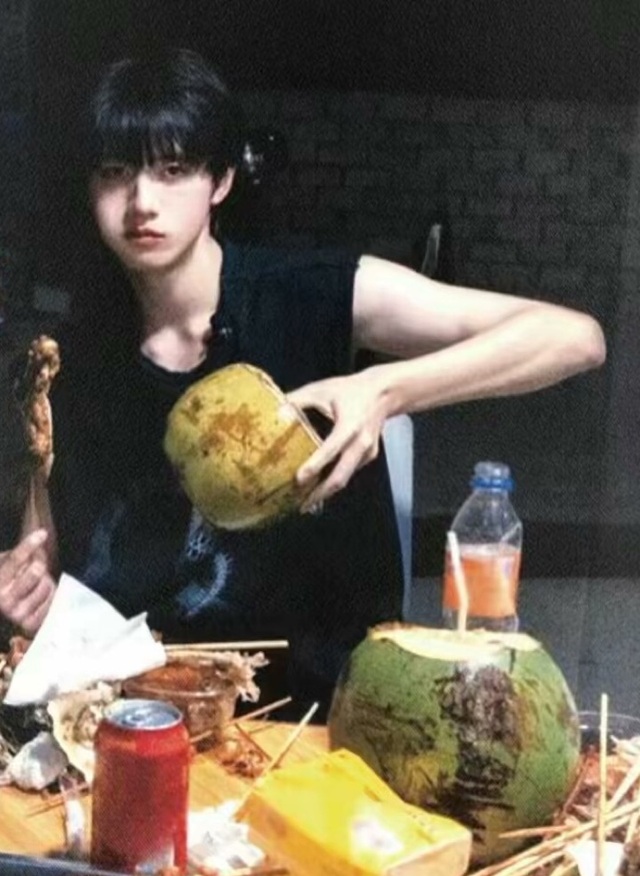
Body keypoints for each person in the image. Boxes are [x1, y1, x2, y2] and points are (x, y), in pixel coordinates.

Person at [0, 48, 605, 717]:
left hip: (316, 712)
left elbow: (573, 338)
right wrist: (30, 595)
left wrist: (385, 390)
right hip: (140, 712)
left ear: (221, 180)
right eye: (116, 173)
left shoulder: (311, 294)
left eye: (173, 170)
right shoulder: (65, 361)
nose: (142, 202)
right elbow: (50, 567)